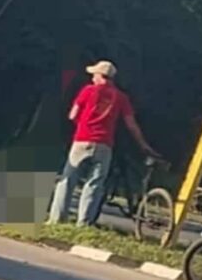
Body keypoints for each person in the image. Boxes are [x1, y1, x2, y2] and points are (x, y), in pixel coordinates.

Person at [47, 60, 158, 227]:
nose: (92, 78)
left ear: (100, 76)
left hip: (82, 140)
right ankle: (84, 223)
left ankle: (56, 219)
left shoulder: (88, 91)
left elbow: (72, 115)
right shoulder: (121, 97)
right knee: (94, 184)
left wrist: (82, 124)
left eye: (94, 75)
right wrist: (143, 145)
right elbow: (131, 124)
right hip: (105, 144)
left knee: (68, 179)